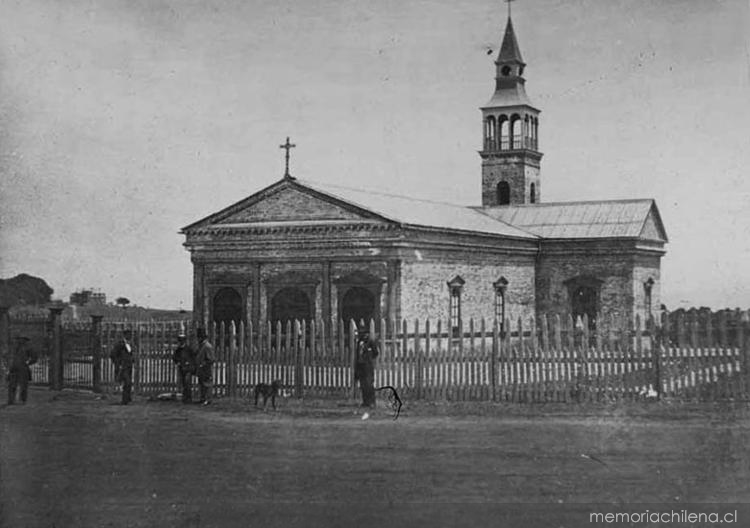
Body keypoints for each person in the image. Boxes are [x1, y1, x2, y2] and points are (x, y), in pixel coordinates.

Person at [354, 325, 379, 418]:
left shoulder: (370, 342)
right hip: (360, 365)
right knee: (363, 384)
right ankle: (365, 401)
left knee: (369, 383)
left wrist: (369, 359)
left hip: (368, 366)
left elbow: (376, 353)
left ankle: (372, 402)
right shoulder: (359, 343)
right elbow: (357, 354)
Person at [7, 336, 37, 405]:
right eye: (19, 339)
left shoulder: (28, 347)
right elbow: (10, 356)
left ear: (25, 340)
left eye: (22, 339)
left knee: (23, 385)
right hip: (14, 368)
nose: (20, 340)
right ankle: (11, 400)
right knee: (12, 385)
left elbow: (34, 358)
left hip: (23, 368)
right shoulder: (14, 347)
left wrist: (28, 363)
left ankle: (22, 400)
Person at [110, 329, 135, 405]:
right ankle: (124, 400)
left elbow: (131, 354)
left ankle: (128, 398)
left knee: (129, 383)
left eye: (130, 335)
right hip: (122, 366)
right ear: (125, 335)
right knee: (126, 382)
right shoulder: (119, 344)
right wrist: (118, 363)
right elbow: (113, 354)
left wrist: (132, 360)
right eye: (128, 335)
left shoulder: (130, 344)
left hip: (129, 366)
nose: (130, 336)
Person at [172, 333, 195, 403]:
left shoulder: (188, 349)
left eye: (182, 341)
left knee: (187, 383)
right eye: (180, 341)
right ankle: (185, 398)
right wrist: (177, 362)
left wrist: (189, 364)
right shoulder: (178, 350)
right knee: (184, 383)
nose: (181, 342)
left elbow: (193, 358)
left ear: (184, 341)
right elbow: (174, 357)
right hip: (181, 368)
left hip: (188, 369)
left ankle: (189, 398)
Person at [194, 328, 214, 405]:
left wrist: (204, 364)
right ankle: (202, 398)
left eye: (199, 337)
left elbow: (211, 359)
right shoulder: (201, 346)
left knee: (206, 384)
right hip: (201, 369)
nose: (198, 339)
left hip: (206, 368)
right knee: (201, 383)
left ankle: (207, 399)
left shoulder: (207, 346)